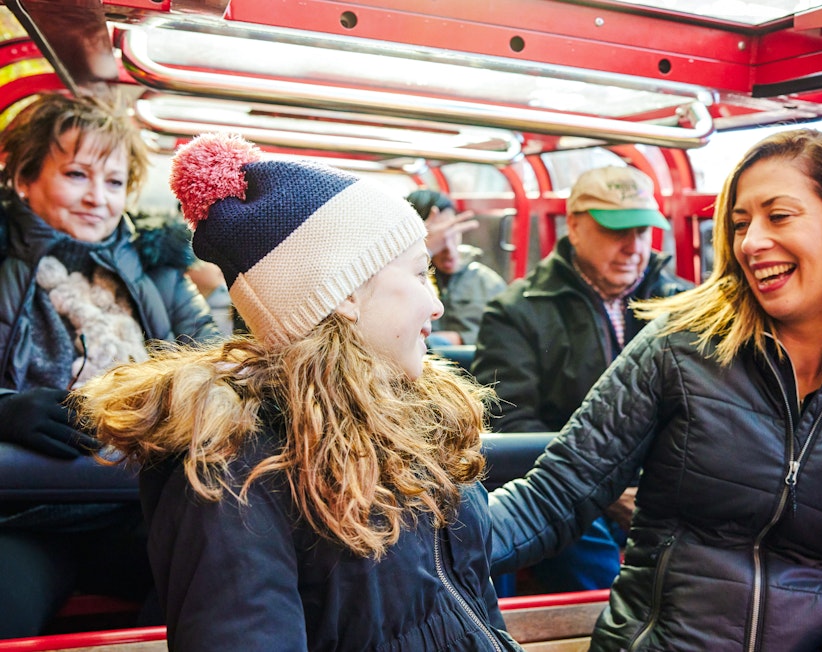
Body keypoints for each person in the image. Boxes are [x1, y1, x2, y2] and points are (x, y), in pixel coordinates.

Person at [488, 129, 822, 651]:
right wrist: (422, 543)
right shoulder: (680, 347)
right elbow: (556, 494)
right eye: (740, 223)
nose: (751, 242)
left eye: (778, 216)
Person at [74, 132, 523, 651]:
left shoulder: (404, 419)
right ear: (348, 293)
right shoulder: (236, 473)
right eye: (420, 276)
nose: (435, 305)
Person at [0, 93, 218, 638]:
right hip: (19, 518)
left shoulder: (161, 274)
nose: (98, 198)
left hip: (139, 506)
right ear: (24, 178)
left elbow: (219, 374)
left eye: (114, 182)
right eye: (77, 175)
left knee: (225, 579)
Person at [472, 165, 691, 593]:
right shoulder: (517, 312)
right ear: (573, 226)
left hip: (663, 489)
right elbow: (509, 424)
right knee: (575, 529)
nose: (633, 248)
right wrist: (606, 494)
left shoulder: (682, 305)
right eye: (616, 232)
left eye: (643, 232)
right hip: (574, 485)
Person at [406, 189, 506, 346]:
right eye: (440, 238)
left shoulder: (487, 283)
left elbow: (506, 335)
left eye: (453, 233)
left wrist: (460, 339)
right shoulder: (408, 279)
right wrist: (422, 251)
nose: (449, 249)